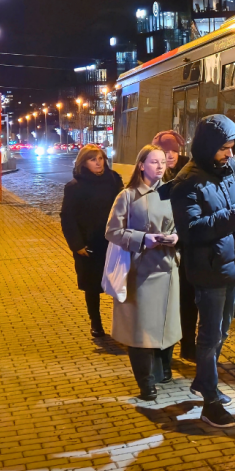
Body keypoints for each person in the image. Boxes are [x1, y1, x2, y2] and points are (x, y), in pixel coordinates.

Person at [170, 115, 235, 429]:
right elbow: (191, 229)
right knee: (209, 336)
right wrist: (233, 219)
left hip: (233, 265)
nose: (230, 154)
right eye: (224, 148)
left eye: (232, 148)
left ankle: (204, 383)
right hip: (208, 270)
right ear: (208, 147)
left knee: (222, 331)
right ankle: (210, 400)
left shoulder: (230, 168)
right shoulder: (186, 181)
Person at [105, 145, 181, 401]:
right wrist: (142, 239)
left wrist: (176, 238)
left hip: (168, 268)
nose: (160, 166)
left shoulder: (171, 193)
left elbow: (182, 224)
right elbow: (112, 231)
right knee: (140, 330)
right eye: (154, 162)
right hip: (140, 271)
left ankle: (164, 372)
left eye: (163, 162)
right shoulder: (127, 196)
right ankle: (146, 383)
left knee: (167, 325)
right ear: (141, 165)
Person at [60, 144, 124, 338]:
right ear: (83, 162)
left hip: (113, 241)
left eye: (100, 158)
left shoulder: (114, 180)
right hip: (89, 244)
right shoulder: (75, 186)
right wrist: (77, 244)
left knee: (120, 284)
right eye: (92, 159)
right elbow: (67, 217)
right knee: (92, 286)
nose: (98, 163)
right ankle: (96, 323)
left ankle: (122, 325)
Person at [154, 129, 197, 361]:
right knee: (165, 300)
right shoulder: (152, 174)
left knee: (188, 298)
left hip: (186, 245)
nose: (170, 155)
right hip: (161, 248)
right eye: (165, 151)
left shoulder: (189, 171)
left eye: (174, 150)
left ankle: (188, 344)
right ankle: (164, 348)